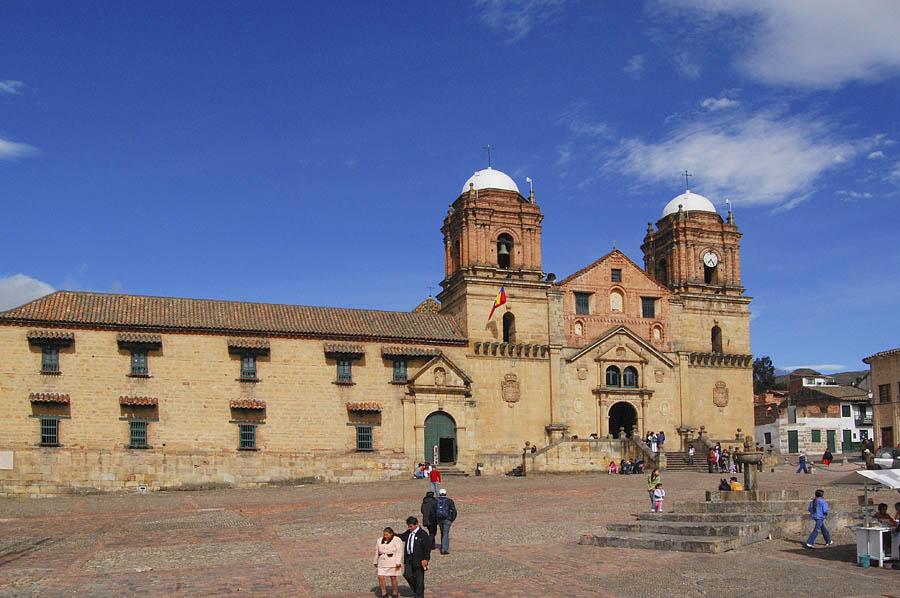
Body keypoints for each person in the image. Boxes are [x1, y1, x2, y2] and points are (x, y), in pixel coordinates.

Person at [397, 516, 431, 598]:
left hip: (419, 559)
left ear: (416, 524)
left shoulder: (423, 534)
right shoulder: (409, 532)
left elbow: (427, 548)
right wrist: (393, 535)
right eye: (408, 526)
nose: (409, 528)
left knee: (419, 578)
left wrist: (426, 559)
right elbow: (402, 536)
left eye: (411, 526)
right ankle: (417, 590)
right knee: (407, 574)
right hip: (409, 558)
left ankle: (419, 595)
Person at [374, 527, 404, 598]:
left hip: (392, 561)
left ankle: (395, 592)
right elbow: (377, 551)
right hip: (382, 562)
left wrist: (398, 562)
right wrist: (375, 561)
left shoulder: (397, 540)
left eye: (387, 535)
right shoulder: (379, 540)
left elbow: (399, 551)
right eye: (384, 534)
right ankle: (384, 593)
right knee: (380, 577)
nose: (385, 536)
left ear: (391, 534)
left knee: (393, 577)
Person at [435, 488, 458, 555]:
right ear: (446, 494)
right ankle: (444, 549)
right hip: (447, 519)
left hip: (439, 519)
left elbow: (433, 510)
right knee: (446, 533)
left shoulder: (436, 501)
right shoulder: (449, 501)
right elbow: (454, 511)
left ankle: (443, 545)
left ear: (439, 494)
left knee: (442, 532)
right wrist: (452, 519)